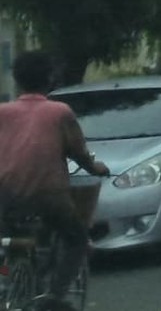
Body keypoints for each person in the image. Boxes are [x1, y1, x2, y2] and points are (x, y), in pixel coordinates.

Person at [0, 51, 111, 311]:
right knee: (76, 237)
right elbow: (79, 153)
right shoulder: (59, 112)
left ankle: (7, 280)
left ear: (17, 80)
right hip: (49, 197)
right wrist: (97, 168)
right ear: (50, 79)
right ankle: (55, 296)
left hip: (5, 196)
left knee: (8, 239)